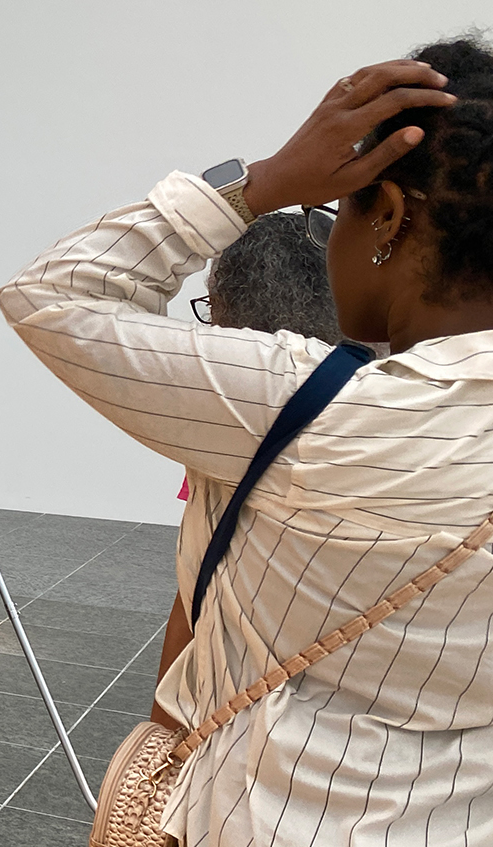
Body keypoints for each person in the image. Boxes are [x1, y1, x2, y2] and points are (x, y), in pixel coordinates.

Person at [0, 43, 493, 844]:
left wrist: (263, 182)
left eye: (341, 208)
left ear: (391, 218)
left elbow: (51, 295)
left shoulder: (305, 405)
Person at [151, 212, 342, 728]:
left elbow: (194, 592)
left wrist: (159, 731)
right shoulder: (395, 402)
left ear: (226, 310)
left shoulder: (222, 417)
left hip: (236, 709)